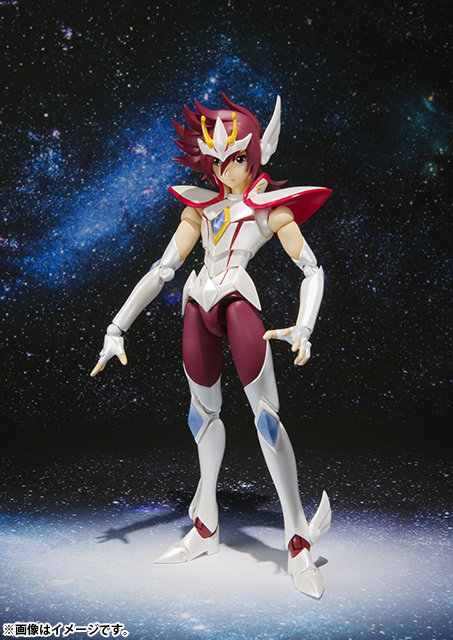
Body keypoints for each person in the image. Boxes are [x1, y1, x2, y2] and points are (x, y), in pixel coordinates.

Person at [91, 93, 332, 598]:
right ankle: (206, 528)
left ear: (256, 156)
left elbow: (311, 268)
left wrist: (304, 326)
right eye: (218, 161)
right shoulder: (200, 210)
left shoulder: (269, 211)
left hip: (239, 305)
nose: (227, 170)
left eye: (237, 158)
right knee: (202, 418)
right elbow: (163, 270)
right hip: (197, 306)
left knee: (266, 419)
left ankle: (297, 541)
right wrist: (117, 327)